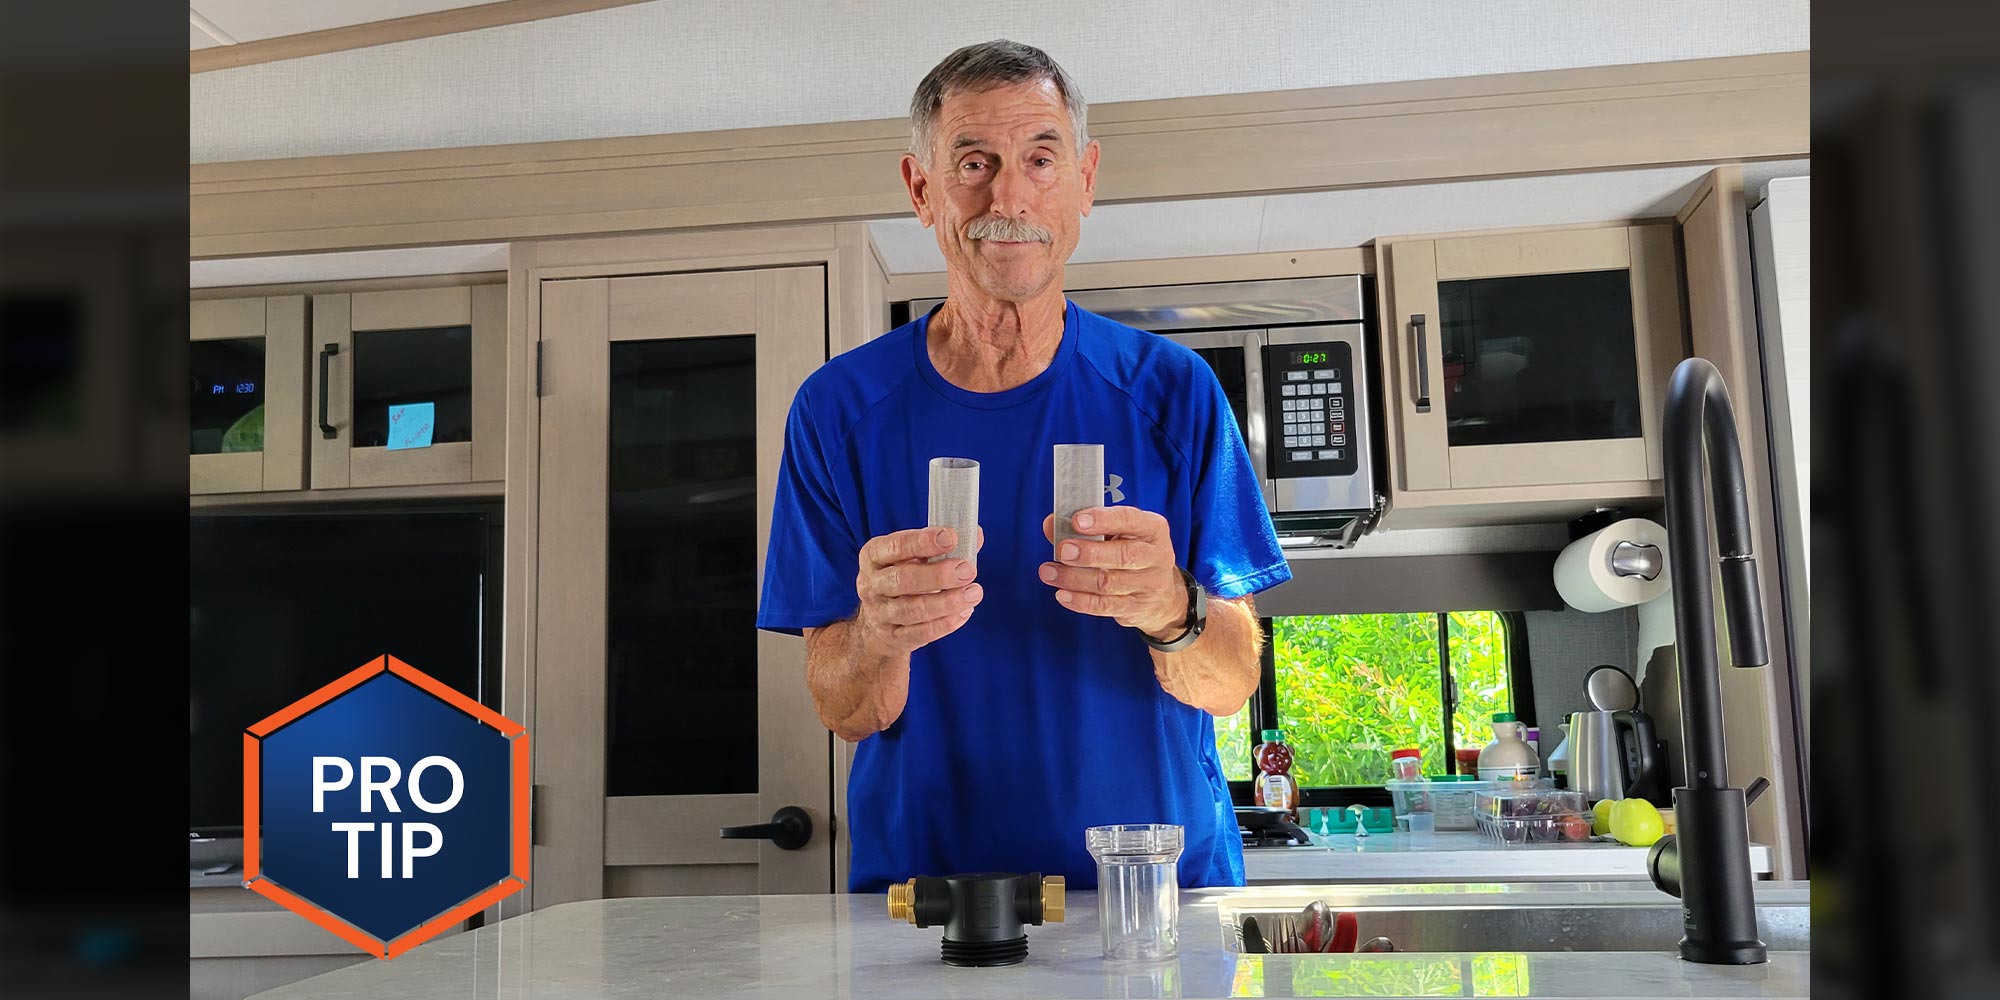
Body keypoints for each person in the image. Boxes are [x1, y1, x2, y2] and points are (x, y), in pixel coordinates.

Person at [756, 39, 1290, 892]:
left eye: (1041, 159)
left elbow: (1230, 683)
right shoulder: (837, 410)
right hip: (927, 900)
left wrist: (1169, 603)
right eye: (974, 163)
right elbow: (844, 707)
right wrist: (877, 636)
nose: (1008, 195)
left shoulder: (1174, 392)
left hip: (1153, 890)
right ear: (921, 189)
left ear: (1084, 180)